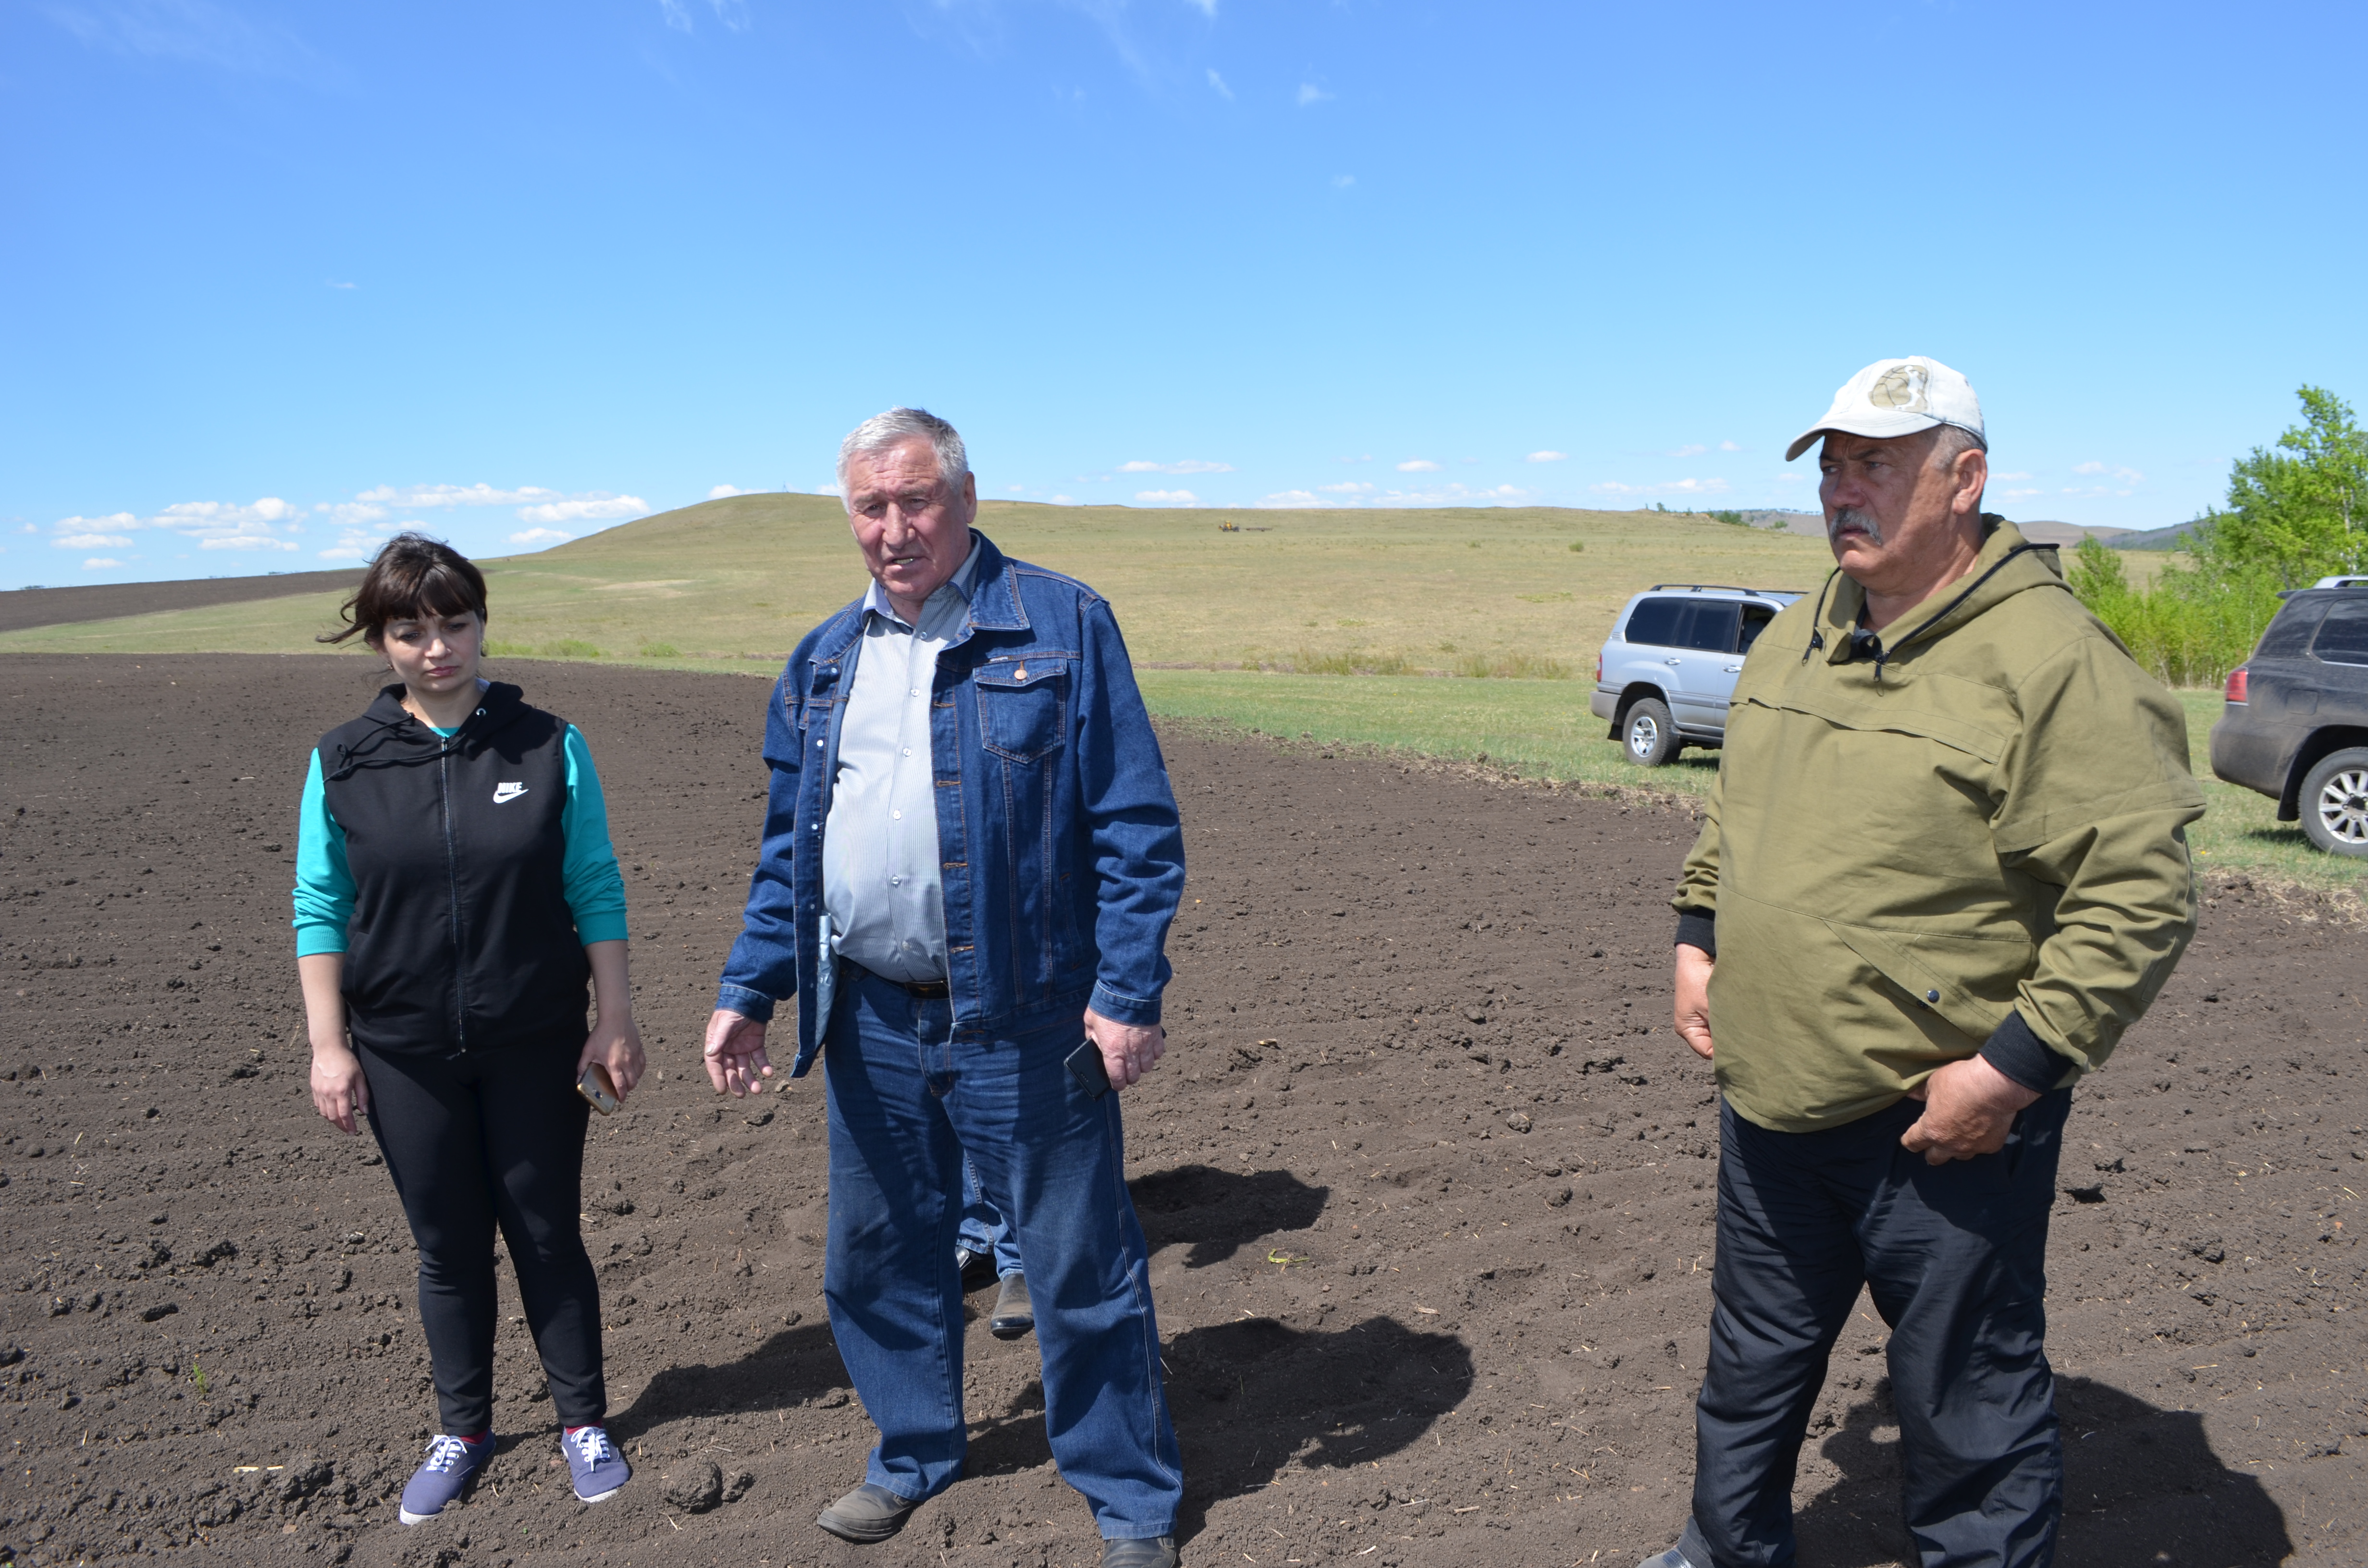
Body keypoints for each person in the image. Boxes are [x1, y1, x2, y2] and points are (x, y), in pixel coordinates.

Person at [1641, 358, 2204, 1568]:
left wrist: (2006, 1075)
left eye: (1877, 466)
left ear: (1966, 480)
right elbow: (1734, 816)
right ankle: (1721, 1548)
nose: (1844, 493)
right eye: (1833, 468)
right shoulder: (1799, 636)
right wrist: (1699, 938)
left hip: (1938, 1129)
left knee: (1967, 1411)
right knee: (1750, 1368)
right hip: (1770, 1099)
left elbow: (2138, 890)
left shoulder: (2050, 660)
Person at [703, 407, 1185, 1568]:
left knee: (1077, 1263)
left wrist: (1127, 989)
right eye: (871, 507)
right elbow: (792, 853)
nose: (894, 528)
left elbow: (1134, 824)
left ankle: (1128, 1494)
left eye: (915, 501)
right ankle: (913, 1451)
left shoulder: (1061, 624)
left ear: (965, 500)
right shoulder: (824, 661)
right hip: (867, 1010)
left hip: (1027, 1011)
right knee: (877, 1256)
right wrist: (750, 986)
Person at [293, 533, 643, 1527]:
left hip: (535, 1038)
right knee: (447, 1248)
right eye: (410, 629)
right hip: (403, 1050)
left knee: (545, 1234)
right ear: (381, 640)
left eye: (455, 623)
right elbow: (319, 904)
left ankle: (583, 1421)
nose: (437, 646)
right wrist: (330, 1046)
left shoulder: (545, 743)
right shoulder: (344, 759)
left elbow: (593, 883)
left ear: (483, 624)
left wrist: (612, 1018)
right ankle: (466, 1429)